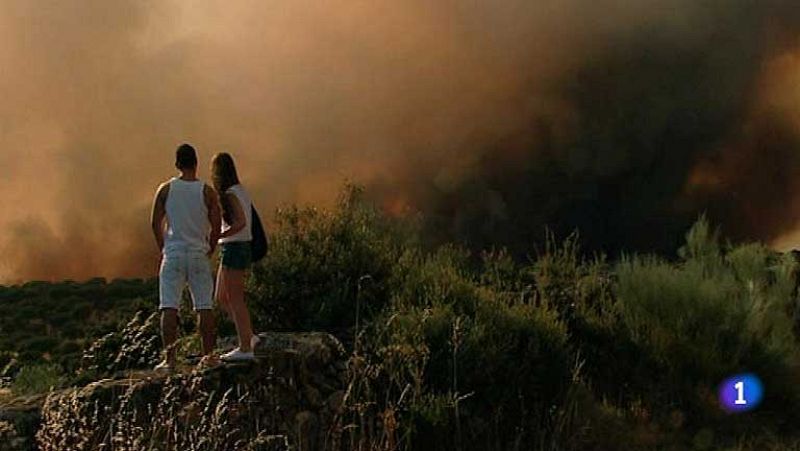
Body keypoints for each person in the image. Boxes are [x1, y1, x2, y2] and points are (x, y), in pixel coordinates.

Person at [150, 144, 222, 371]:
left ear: (177, 164)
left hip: (173, 254)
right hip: (198, 253)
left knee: (169, 306)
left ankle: (170, 361)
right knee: (204, 306)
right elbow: (217, 225)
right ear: (196, 163)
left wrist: (164, 247)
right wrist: (209, 247)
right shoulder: (207, 191)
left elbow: (155, 222)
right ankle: (208, 357)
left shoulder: (166, 190)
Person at [211, 152, 259, 362]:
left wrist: (217, 235)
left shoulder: (230, 193)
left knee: (235, 299)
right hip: (234, 248)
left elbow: (240, 223)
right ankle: (249, 337)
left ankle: (245, 348)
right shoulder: (240, 190)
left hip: (234, 248)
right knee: (221, 297)